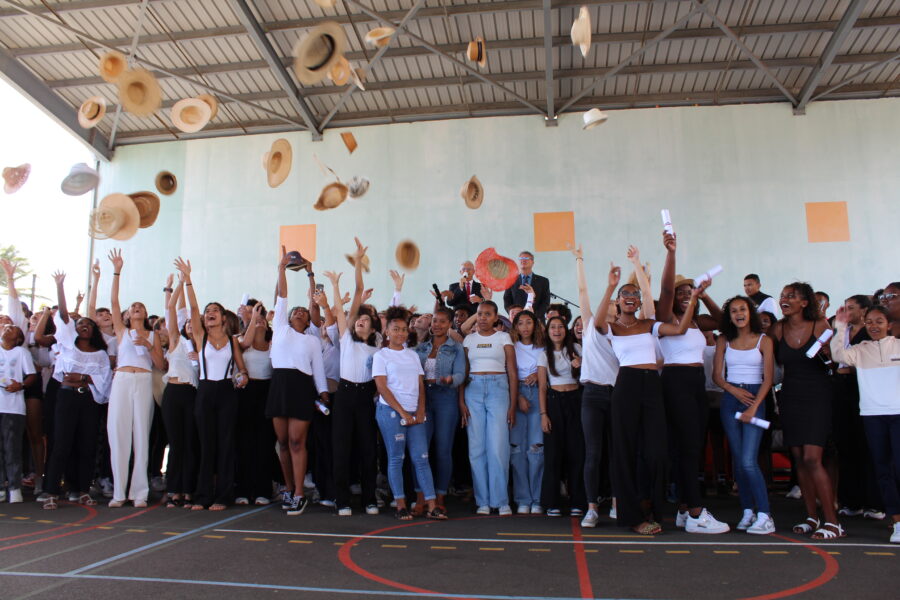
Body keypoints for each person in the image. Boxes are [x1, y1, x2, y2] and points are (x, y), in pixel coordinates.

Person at [595, 258, 702, 535]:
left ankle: (653, 509)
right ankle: (633, 517)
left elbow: (679, 330)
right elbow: (597, 323)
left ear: (640, 301)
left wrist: (693, 300)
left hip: (652, 385)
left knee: (657, 453)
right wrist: (610, 286)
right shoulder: (613, 328)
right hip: (627, 386)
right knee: (625, 451)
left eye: (635, 294)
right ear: (619, 301)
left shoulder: (649, 324)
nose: (630, 297)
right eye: (625, 294)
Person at [656, 233, 728, 534]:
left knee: (693, 447)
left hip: (697, 383)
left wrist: (704, 295)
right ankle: (697, 512)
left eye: (689, 290)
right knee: (685, 447)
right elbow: (665, 289)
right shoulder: (665, 317)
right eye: (681, 291)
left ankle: (685, 509)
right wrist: (671, 253)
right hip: (676, 381)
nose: (685, 294)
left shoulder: (697, 322)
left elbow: (724, 322)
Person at [176, 257, 249, 511]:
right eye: (208, 311)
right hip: (206, 391)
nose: (210, 313)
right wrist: (188, 279)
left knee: (226, 444)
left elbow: (242, 369)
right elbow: (194, 307)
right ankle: (203, 495)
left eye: (215, 310)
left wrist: (242, 377)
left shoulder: (232, 340)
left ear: (223, 317)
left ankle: (223, 496)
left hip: (227, 392)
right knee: (206, 445)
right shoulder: (200, 336)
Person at [772, 282, 843, 539]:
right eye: (783, 295)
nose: (784, 299)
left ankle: (833, 522)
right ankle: (812, 517)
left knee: (813, 458)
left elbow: (835, 360)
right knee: (800, 459)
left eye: (791, 296)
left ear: (804, 302)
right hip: (790, 396)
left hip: (818, 396)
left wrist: (829, 352)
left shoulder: (820, 326)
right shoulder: (778, 329)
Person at [266, 249, 329, 516]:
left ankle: (301, 493)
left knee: (296, 442)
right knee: (282, 442)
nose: (301, 313)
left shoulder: (312, 340)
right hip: (279, 386)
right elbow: (282, 296)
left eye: (305, 312)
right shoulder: (280, 327)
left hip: (301, 388)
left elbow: (318, 370)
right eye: (297, 311)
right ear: (289, 316)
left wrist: (323, 393)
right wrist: (281, 268)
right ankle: (289, 489)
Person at [831, 305, 900, 544]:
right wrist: (840, 326)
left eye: (879, 321)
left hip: (898, 414)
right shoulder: (860, 350)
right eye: (869, 322)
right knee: (882, 469)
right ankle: (897, 522)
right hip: (872, 415)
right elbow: (838, 355)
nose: (874, 326)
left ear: (889, 324)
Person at [41, 272, 111, 510]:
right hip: (66, 397)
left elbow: (104, 380)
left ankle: (81, 490)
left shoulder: (100, 354)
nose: (84, 327)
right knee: (61, 443)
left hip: (89, 401)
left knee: (87, 445)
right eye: (81, 324)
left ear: (94, 331)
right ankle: (51, 491)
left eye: (89, 325)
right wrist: (60, 286)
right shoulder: (67, 345)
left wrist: (83, 377)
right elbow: (62, 314)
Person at [373, 306, 446, 520]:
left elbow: (420, 385)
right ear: (387, 332)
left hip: (415, 414)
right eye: (395, 329)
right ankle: (400, 505)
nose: (400, 333)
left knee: (421, 458)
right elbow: (382, 387)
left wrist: (420, 411)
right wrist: (403, 412)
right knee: (396, 458)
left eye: (404, 329)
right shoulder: (381, 356)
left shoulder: (413, 355)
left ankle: (432, 505)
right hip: (391, 412)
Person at [106, 249, 165, 508]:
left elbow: (160, 364)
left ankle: (139, 492)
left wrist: (148, 345)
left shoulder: (153, 335)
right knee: (118, 433)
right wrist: (117, 271)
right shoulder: (122, 331)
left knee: (141, 434)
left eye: (140, 306)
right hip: (122, 380)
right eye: (133, 307)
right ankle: (119, 492)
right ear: (128, 315)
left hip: (143, 381)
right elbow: (114, 302)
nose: (137, 308)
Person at [713, 296, 776, 534]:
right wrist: (733, 390)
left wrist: (753, 406)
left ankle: (765, 514)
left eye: (743, 309)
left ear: (751, 313)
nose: (739, 314)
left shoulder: (764, 340)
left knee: (749, 460)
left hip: (755, 399)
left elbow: (768, 379)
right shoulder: (723, 339)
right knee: (739, 460)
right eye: (734, 311)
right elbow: (717, 376)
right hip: (731, 399)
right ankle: (748, 511)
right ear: (729, 316)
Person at [324, 262, 380, 517]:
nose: (360, 321)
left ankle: (370, 499)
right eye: (358, 319)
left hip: (366, 396)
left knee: (368, 448)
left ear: (373, 328)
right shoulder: (346, 339)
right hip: (345, 395)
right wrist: (336, 285)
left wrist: (360, 263)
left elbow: (360, 291)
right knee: (341, 447)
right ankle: (342, 499)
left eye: (366, 320)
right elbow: (353, 297)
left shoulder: (377, 347)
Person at [570, 245, 619, 528]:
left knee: (617, 452)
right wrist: (579, 260)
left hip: (618, 395)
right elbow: (582, 291)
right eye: (606, 303)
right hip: (592, 394)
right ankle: (591, 508)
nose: (608, 307)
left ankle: (617, 503)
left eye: (612, 305)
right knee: (593, 453)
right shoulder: (589, 326)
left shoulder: (624, 333)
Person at [462, 300, 518, 515]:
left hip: (498, 389)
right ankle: (483, 501)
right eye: (479, 314)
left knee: (498, 447)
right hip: (473, 390)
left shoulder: (503, 337)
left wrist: (513, 405)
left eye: (487, 314)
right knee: (476, 448)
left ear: (496, 317)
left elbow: (512, 372)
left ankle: (501, 500)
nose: (483, 318)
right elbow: (464, 371)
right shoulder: (469, 339)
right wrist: (461, 402)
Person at [413, 305, 465, 515]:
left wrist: (451, 379)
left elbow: (461, 374)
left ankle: (440, 496)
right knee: (420, 450)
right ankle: (421, 497)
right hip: (422, 398)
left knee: (443, 450)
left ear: (450, 324)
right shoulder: (421, 348)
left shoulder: (456, 348)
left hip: (446, 398)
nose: (437, 325)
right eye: (435, 320)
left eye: (443, 321)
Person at [832, 295, 881, 519]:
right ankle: (851, 501)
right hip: (841, 390)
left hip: (863, 391)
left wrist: (851, 369)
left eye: (851, 308)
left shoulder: (870, 334)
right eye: (845, 307)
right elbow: (836, 355)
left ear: (864, 311)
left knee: (867, 446)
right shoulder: (841, 330)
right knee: (845, 445)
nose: (846, 311)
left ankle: (874, 502)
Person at [539, 316, 584, 517]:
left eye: (560, 327)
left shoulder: (576, 348)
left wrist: (580, 364)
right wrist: (543, 414)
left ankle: (578, 501)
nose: (556, 331)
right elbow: (542, 387)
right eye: (553, 327)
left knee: (577, 453)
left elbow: (588, 375)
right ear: (548, 331)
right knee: (553, 454)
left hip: (575, 400)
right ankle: (552, 502)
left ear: (566, 330)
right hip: (554, 402)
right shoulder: (543, 354)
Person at [160, 276, 199, 508]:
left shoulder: (204, 346)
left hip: (192, 394)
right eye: (188, 323)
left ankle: (188, 490)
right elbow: (171, 309)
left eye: (195, 322)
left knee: (190, 443)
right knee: (175, 443)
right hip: (173, 394)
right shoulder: (176, 340)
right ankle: (173, 489)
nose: (190, 324)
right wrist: (179, 285)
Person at [235, 300, 275, 506]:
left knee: (264, 443)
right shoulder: (241, 341)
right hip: (246, 392)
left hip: (267, 392)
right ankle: (243, 489)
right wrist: (252, 319)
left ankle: (263, 490)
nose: (258, 321)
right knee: (244, 442)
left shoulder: (273, 344)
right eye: (254, 319)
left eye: (262, 320)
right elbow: (244, 343)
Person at [509, 309, 547, 514]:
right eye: (520, 323)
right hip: (517, 394)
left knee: (536, 449)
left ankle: (537, 498)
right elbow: (507, 373)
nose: (525, 327)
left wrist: (538, 375)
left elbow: (549, 372)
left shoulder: (543, 347)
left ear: (535, 325)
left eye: (529, 322)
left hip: (538, 394)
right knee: (517, 450)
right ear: (515, 327)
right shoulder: (511, 347)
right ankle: (523, 499)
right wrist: (517, 397)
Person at [0, 322, 36, 504]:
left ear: (18, 338)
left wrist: (20, 385)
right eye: (5, 326)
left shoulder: (21, 352)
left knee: (12, 448)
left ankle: (14, 488)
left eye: (12, 328)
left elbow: (32, 375)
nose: (7, 327)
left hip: (13, 407)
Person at [503, 251, 550, 320]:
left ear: (532, 262)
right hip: (516, 320)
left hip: (537, 319)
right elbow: (507, 301)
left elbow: (545, 303)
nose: (523, 260)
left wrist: (533, 316)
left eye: (526, 258)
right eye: (521, 258)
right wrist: (514, 315)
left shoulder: (543, 281)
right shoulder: (511, 280)